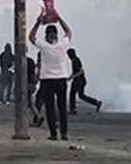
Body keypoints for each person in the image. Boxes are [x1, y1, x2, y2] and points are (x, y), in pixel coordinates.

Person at [29, 12, 72, 141]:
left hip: (47, 80)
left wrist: (38, 22)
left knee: (50, 108)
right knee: (62, 107)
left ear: (46, 35)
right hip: (61, 79)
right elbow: (68, 32)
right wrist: (59, 19)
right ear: (56, 35)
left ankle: (53, 133)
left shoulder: (44, 46)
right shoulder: (62, 45)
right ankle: (64, 133)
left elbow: (31, 37)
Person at [67, 48, 102, 114]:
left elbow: (81, 71)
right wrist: (70, 77)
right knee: (81, 95)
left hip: (78, 81)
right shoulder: (75, 60)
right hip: (81, 80)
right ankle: (96, 103)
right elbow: (76, 71)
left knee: (72, 94)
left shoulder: (75, 61)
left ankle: (73, 109)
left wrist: (72, 77)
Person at [27, 54, 43, 127]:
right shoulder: (36, 65)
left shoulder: (38, 65)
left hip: (28, 85)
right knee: (30, 104)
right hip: (32, 85)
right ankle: (37, 117)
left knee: (29, 104)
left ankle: (38, 117)